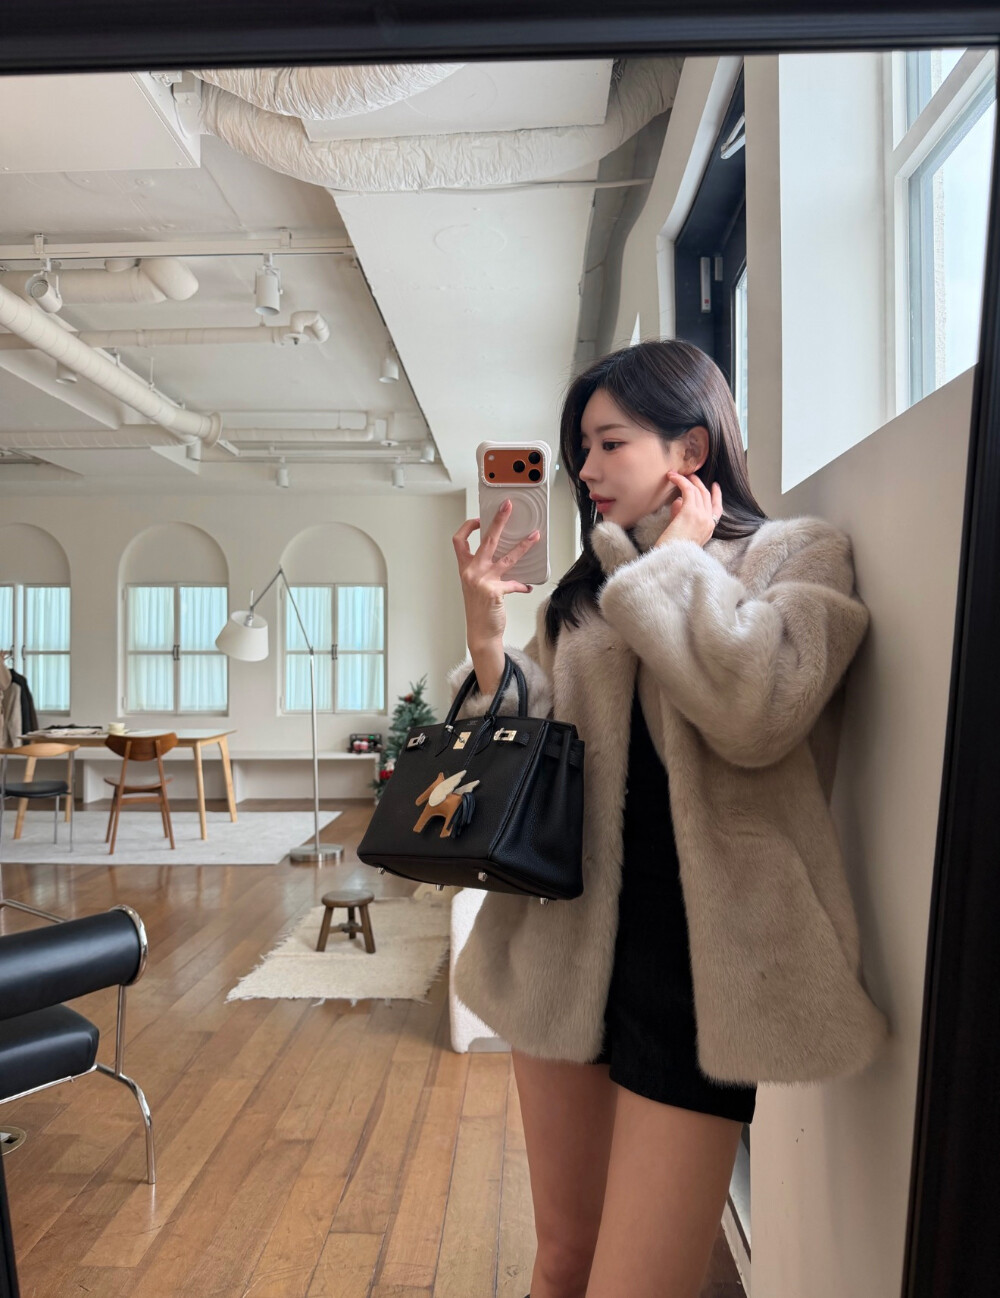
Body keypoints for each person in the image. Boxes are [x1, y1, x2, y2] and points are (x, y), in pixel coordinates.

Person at [448, 339, 889, 1298]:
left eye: (610, 443)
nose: (587, 469)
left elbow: (759, 713)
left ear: (690, 448)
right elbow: (533, 748)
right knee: (562, 1258)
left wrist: (674, 564)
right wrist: (486, 638)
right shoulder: (583, 589)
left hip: (705, 968)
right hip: (564, 944)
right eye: (581, 449)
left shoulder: (794, 554)